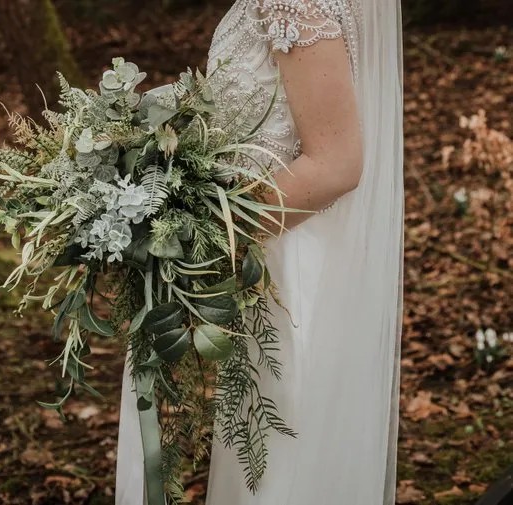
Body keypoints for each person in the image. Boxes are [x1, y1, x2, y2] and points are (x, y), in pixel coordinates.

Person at [116, 1, 404, 503]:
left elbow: (337, 165)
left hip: (287, 267)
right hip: (266, 253)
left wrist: (203, 229)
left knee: (281, 464)